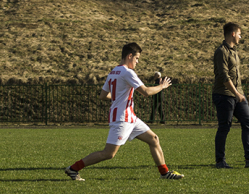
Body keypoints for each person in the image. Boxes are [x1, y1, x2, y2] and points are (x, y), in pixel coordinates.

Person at [65, 42, 184, 181]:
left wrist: (117, 98)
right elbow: (146, 92)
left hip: (130, 117)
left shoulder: (113, 71)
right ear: (129, 56)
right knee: (108, 154)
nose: (137, 62)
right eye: (137, 58)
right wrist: (162, 86)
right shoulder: (128, 72)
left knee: (154, 139)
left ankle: (164, 173)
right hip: (123, 118)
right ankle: (73, 169)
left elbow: (103, 95)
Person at [212, 22, 249, 169]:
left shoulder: (234, 52)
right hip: (224, 95)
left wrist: (239, 93)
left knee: (248, 122)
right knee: (224, 126)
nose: (240, 37)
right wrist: (236, 93)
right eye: (239, 34)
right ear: (233, 34)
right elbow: (223, 76)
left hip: (238, 95)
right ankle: (220, 161)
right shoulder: (221, 52)